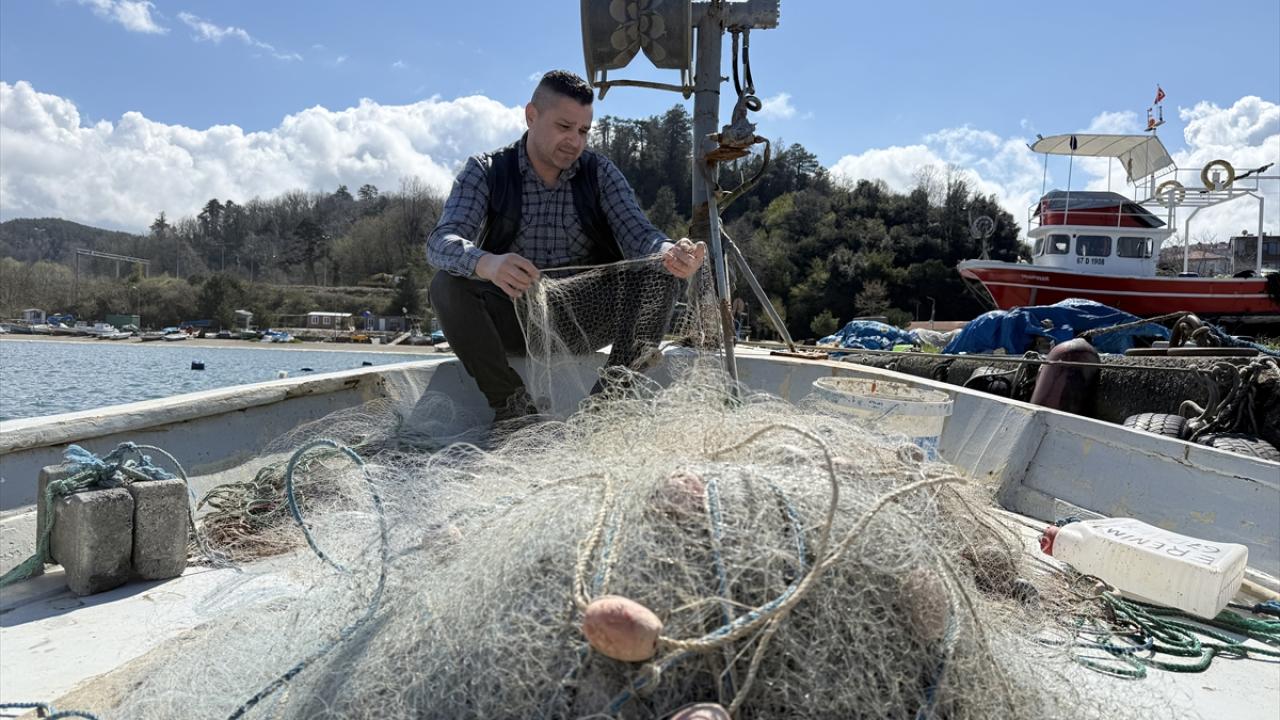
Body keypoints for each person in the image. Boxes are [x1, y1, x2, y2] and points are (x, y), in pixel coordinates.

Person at [427, 70, 706, 423]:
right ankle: (513, 412)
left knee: (661, 276)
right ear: (531, 116)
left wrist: (669, 251)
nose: (575, 141)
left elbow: (641, 235)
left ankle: (603, 413)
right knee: (447, 285)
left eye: (583, 131)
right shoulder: (486, 170)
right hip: (515, 319)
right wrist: (487, 263)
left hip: (584, 320)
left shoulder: (601, 173)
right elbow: (441, 240)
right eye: (564, 127)